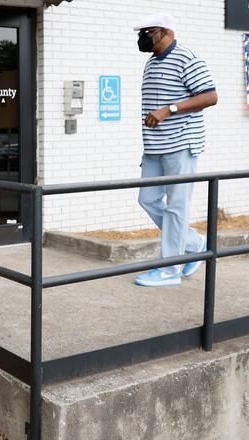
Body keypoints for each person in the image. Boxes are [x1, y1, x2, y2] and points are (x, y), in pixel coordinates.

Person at [132, 15, 218, 287]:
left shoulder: (186, 58)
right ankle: (194, 244)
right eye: (141, 32)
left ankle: (169, 270)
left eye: (148, 31)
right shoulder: (152, 62)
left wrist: (169, 109)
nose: (142, 36)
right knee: (147, 199)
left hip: (181, 144)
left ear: (165, 31)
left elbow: (210, 96)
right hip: (155, 147)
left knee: (176, 207)